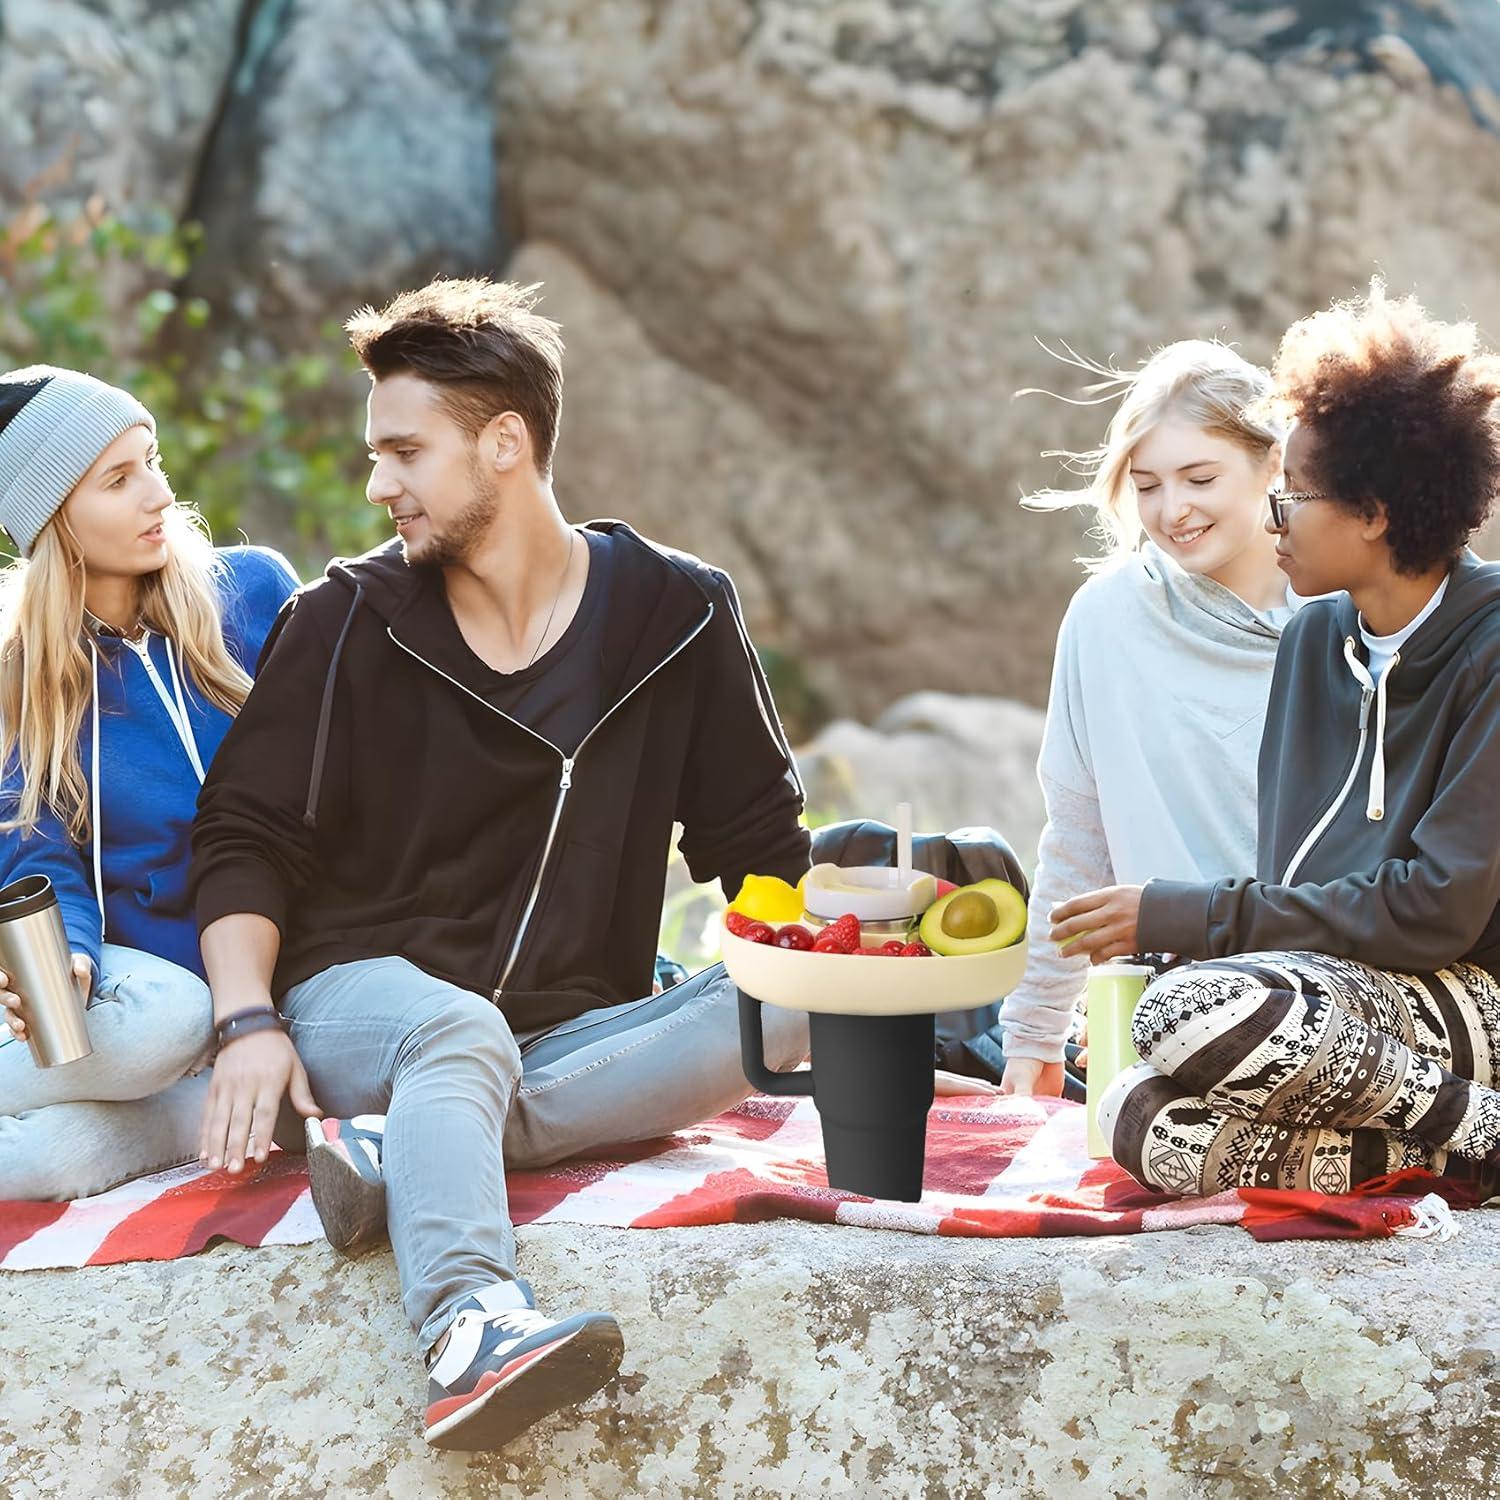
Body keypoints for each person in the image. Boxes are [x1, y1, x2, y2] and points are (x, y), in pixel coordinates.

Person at [189, 277, 813, 1452]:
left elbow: (760, 851)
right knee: (455, 1037)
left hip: (575, 1026)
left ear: (505, 444)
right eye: (376, 456)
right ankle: (472, 1326)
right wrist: (246, 1023)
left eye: (405, 452)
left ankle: (407, 1149)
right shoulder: (346, 620)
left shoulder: (678, 616)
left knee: (795, 1007)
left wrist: (815, 964)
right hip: (363, 995)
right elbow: (243, 837)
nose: (379, 487)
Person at [1065, 283, 1500, 1201]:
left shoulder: (1492, 650)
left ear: (1375, 513)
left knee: (1186, 1010)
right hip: (1333, 1010)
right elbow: (1297, 881)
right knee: (1133, 1115)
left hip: (1470, 1002)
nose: (1274, 521)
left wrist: (1191, 918)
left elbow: (1437, 911)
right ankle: (1453, 1158)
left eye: (1292, 497)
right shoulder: (1314, 641)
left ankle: (1479, 1124)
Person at [0, 365, 298, 1200]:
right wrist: (71, 964)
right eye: (120, 480)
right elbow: (35, 852)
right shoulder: (18, 676)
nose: (160, 495)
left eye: (154, 461)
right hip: (149, 1002)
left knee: (47, 1160)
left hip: (273, 986)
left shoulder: (252, 594)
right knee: (167, 1018)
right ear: (56, 515)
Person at [974, 341, 1294, 1097]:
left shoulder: (1347, 616)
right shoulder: (1106, 616)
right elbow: (1078, 839)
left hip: (1319, 995)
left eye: (1200, 477)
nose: (1172, 509)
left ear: (1272, 464)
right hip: (1156, 1013)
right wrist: (1032, 1033)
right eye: (1147, 485)